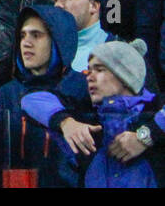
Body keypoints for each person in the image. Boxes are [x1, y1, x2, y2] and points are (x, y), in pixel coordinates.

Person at [22, 39, 165, 188]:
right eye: (89, 70)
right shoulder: (89, 125)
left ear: (125, 76)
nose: (89, 76)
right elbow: (29, 100)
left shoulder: (154, 110)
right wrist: (66, 123)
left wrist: (146, 136)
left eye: (100, 69)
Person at [0, 6, 84, 188]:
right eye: (22, 36)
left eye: (36, 35)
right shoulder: (6, 94)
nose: (26, 43)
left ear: (58, 41)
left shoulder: (82, 89)